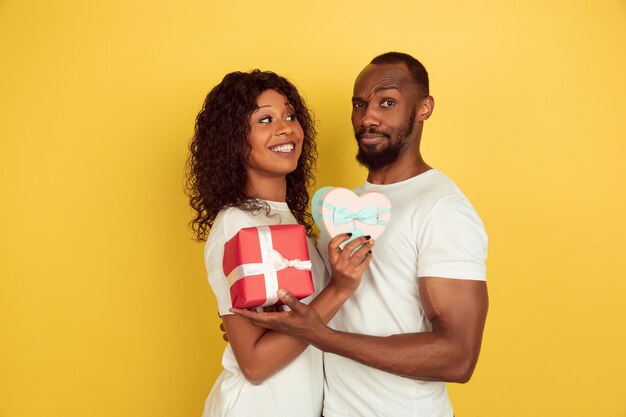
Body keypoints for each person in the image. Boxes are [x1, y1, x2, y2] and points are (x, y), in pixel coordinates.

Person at [232, 53, 489, 417]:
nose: (368, 117)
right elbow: (328, 302)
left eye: (388, 103)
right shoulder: (345, 206)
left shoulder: (442, 209)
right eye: (360, 104)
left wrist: (321, 336)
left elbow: (458, 356)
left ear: (424, 108)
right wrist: (259, 330)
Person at [185, 69, 374, 417]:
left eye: (290, 115)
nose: (286, 127)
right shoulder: (237, 224)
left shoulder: (290, 223)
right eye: (265, 119)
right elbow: (255, 364)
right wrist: (339, 289)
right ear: (234, 139)